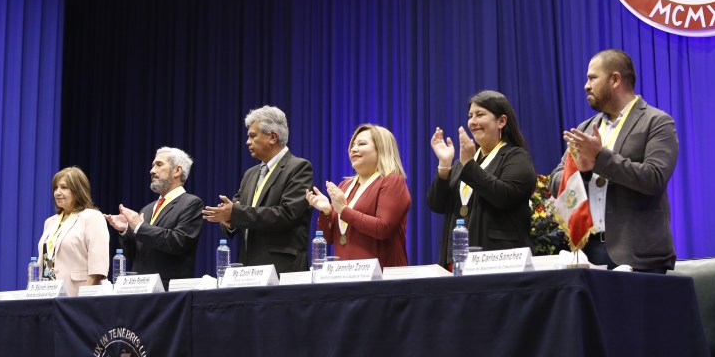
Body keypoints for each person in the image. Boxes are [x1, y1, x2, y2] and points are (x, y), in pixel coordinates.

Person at [550, 49, 678, 273]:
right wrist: (582, 172)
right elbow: (555, 181)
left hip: (639, 256)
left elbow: (654, 178)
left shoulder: (657, 122)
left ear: (615, 79)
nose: (586, 86)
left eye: (592, 78)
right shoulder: (585, 129)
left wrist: (600, 158)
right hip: (588, 252)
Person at [427, 90, 537, 268]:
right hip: (457, 261)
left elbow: (504, 196)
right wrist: (444, 165)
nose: (472, 121)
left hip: (499, 262)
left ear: (501, 121)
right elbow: (436, 205)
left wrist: (469, 165)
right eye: (470, 116)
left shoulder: (516, 157)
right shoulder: (463, 163)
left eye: (480, 114)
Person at [203, 106, 313, 274]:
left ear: (273, 137)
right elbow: (238, 212)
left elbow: (287, 215)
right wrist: (227, 218)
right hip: (248, 270)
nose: (248, 142)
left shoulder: (298, 167)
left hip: (282, 269)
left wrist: (235, 214)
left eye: (252, 136)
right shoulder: (250, 174)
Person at [306, 124, 411, 267]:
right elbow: (328, 239)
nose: (353, 149)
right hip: (345, 273)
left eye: (361, 144)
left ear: (381, 149)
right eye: (353, 145)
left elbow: (382, 228)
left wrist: (343, 210)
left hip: (382, 274)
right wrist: (327, 212)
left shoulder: (392, 181)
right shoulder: (345, 186)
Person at [105, 147, 204, 288]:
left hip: (169, 291)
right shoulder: (147, 209)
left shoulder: (191, 203)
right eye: (152, 166)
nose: (152, 171)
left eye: (159, 165)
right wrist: (126, 230)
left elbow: (178, 242)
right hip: (140, 288)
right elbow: (134, 254)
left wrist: (139, 226)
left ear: (177, 171)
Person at [37, 167, 109, 296]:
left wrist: (82, 299)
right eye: (56, 188)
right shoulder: (50, 222)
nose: (57, 192)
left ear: (78, 191)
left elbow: (98, 267)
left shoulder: (92, 217)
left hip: (78, 296)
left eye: (64, 187)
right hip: (49, 294)